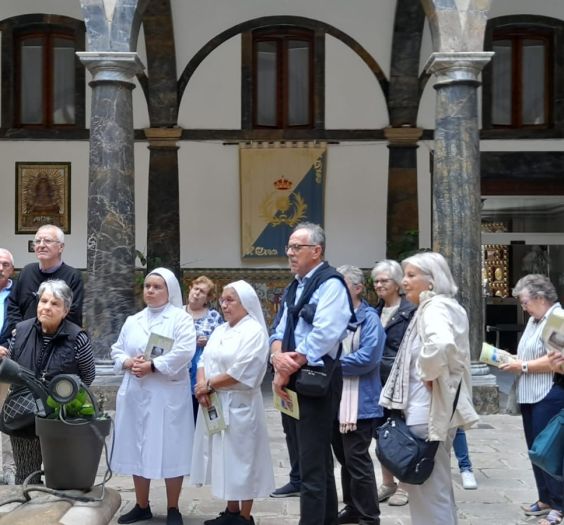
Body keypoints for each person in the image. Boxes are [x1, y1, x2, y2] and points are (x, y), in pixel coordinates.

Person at [379, 251, 479, 525]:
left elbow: (441, 344)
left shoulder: (435, 307)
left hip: (426, 412)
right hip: (432, 410)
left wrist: (427, 370)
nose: (405, 281)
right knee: (437, 489)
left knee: (426, 493)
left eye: (412, 275)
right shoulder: (441, 306)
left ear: (432, 281)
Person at [270, 222, 352, 525]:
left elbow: (326, 333)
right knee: (308, 458)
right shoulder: (296, 284)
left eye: (296, 247)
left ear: (316, 251)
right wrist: (277, 357)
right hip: (293, 377)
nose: (290, 253)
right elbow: (279, 327)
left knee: (313, 465)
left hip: (316, 379)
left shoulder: (331, 284)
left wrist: (292, 361)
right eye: (289, 247)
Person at [111, 268, 195, 525]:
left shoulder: (180, 319)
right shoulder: (133, 320)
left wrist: (153, 365)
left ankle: (173, 507)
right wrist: (128, 362)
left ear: (169, 291)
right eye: (147, 286)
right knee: (138, 446)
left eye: (157, 287)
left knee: (171, 447)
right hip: (136, 393)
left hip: (166, 394)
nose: (150, 290)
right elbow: (116, 350)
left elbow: (184, 351)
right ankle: (141, 504)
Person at [190, 280, 274, 525]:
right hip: (215, 402)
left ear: (245, 303)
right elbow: (204, 359)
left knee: (244, 459)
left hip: (241, 405)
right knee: (223, 457)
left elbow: (243, 371)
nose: (224, 305)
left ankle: (245, 516)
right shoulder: (221, 329)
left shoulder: (254, 332)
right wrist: (202, 386)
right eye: (222, 300)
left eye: (230, 300)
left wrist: (209, 385)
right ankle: (231, 510)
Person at [4, 279, 95, 484]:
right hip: (24, 415)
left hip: (61, 417)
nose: (46, 307)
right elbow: (11, 364)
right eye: (43, 301)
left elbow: (88, 376)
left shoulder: (77, 337)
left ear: (65, 310)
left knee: (63, 477)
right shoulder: (20, 331)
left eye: (55, 303)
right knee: (26, 476)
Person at [500, 275, 563, 525]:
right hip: (530, 392)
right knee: (535, 451)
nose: (523, 307)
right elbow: (531, 352)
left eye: (525, 302)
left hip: (548, 392)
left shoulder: (557, 319)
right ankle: (545, 498)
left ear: (539, 298)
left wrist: (522, 365)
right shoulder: (536, 320)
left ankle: (558, 506)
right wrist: (511, 358)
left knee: (549, 451)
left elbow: (555, 359)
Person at [331, 265, 385, 525]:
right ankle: (352, 506)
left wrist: (330, 364)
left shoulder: (370, 319)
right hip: (335, 399)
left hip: (359, 401)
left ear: (358, 288)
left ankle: (369, 515)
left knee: (357, 459)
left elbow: (367, 358)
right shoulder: (335, 316)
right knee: (343, 459)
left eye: (343, 285)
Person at [371, 259, 416, 507]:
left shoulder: (410, 311)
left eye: (384, 280)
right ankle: (388, 482)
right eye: (376, 281)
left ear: (397, 283)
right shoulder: (374, 311)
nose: (379, 285)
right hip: (376, 381)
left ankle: (406, 485)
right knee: (381, 432)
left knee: (402, 432)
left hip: (400, 380)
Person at [0, 224, 84, 347]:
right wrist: (19, 329)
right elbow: (13, 305)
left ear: (61, 247)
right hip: (23, 342)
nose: (41, 245)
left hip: (56, 343)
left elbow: (73, 314)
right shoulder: (27, 271)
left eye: (48, 241)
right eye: (38, 241)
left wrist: (39, 333)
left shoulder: (73, 276)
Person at [184, 276, 223, 421]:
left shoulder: (214, 316)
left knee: (199, 412)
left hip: (203, 368)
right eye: (195, 289)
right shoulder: (177, 314)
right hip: (180, 368)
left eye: (202, 292)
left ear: (207, 298)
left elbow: (222, 342)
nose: (196, 293)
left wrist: (208, 341)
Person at [0, 249, 16, 485]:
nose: (0, 267)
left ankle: (7, 469)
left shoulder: (18, 292)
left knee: (5, 415)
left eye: (5, 264)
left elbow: (22, 323)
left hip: (6, 362)